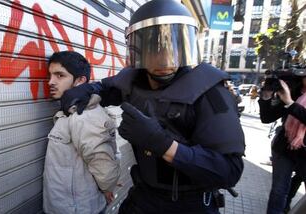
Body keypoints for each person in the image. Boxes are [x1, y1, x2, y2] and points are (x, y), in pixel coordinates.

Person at [59, 0, 245, 213]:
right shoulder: (133, 79)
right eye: (155, 48)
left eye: (174, 46)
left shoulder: (209, 91)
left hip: (189, 205)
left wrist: (163, 145)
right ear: (140, 49)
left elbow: (229, 171)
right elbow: (106, 88)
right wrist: (85, 90)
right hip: (144, 196)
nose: (165, 58)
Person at [43, 51, 120, 214]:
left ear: (80, 81)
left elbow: (102, 161)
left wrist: (107, 188)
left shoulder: (83, 115)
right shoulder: (71, 112)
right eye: (50, 75)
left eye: (59, 75)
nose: (51, 81)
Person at [259, 72, 306, 214]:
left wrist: (290, 103)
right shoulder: (294, 92)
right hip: (284, 148)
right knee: (279, 191)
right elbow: (267, 118)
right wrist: (266, 97)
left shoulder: (291, 98)